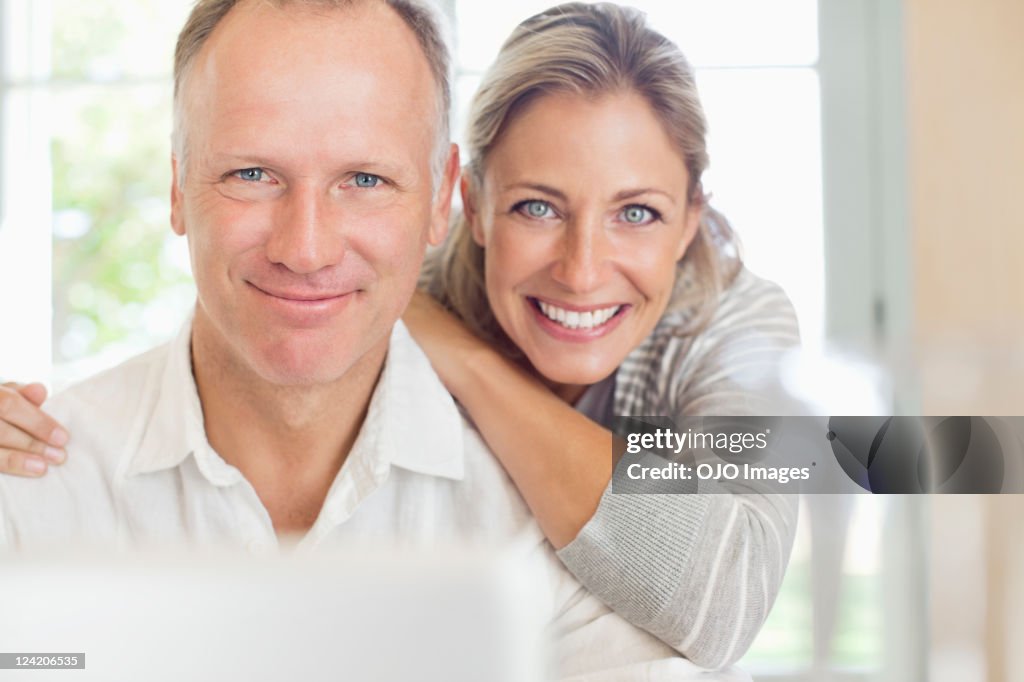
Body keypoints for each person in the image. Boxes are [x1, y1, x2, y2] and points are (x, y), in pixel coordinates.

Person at [0, 0, 798, 671]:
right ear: (471, 209)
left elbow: (732, 586)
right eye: (536, 207)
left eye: (638, 212)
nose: (582, 270)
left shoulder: (735, 327)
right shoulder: (411, 284)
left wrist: (469, 366)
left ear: (693, 217)